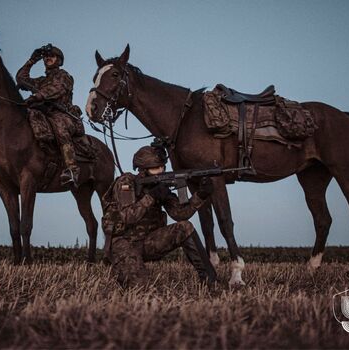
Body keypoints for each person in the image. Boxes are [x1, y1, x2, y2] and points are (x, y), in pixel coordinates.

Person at [102, 145, 217, 287]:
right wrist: (151, 196)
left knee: (184, 227)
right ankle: (121, 268)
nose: (161, 171)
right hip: (124, 244)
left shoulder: (160, 186)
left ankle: (210, 279)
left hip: (148, 242)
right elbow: (127, 216)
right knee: (140, 288)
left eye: (163, 167)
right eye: (156, 168)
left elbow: (180, 214)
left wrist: (200, 195)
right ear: (143, 170)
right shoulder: (126, 183)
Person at [16, 43, 84, 186]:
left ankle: (72, 168)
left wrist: (37, 96)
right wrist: (31, 60)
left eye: (52, 56)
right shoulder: (41, 80)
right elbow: (21, 79)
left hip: (63, 115)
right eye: (46, 56)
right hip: (43, 114)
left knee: (59, 126)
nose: (48, 58)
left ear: (58, 60)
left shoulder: (65, 76)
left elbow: (56, 89)